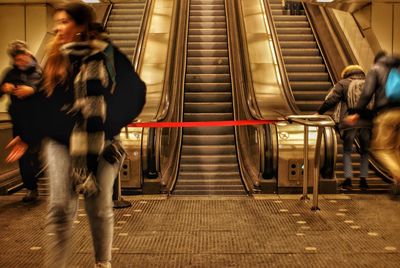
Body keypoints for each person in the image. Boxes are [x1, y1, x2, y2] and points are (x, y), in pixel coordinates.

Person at [5, 2, 146, 267]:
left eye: (64, 22)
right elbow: (46, 102)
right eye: (57, 22)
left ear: (81, 26)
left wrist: (108, 123)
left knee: (98, 208)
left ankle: (102, 263)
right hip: (59, 142)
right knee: (59, 209)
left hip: (101, 144)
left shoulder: (108, 55)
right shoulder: (56, 56)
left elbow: (136, 93)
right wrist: (27, 134)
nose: (58, 28)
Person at [346, 51, 400, 194]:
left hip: (387, 113)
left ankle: (398, 175)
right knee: (395, 149)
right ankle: (396, 182)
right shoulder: (397, 68)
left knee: (381, 149)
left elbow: (367, 92)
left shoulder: (376, 69)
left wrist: (356, 112)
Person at [317, 65, 373, 191]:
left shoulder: (343, 84)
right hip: (367, 121)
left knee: (347, 151)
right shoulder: (370, 84)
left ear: (346, 73)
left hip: (350, 121)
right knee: (365, 152)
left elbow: (332, 99)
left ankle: (348, 181)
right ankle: (363, 181)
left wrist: (319, 112)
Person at [1, 40, 43, 202]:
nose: (20, 63)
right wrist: (4, 88)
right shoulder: (10, 74)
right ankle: (32, 188)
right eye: (16, 61)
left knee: (36, 156)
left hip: (37, 122)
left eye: (22, 58)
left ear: (28, 54)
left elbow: (50, 93)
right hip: (19, 123)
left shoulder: (39, 72)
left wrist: (32, 90)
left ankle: (39, 178)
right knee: (24, 157)